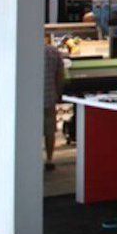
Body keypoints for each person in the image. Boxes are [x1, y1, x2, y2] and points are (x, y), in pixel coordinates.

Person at [44, 37, 69, 171]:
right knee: (49, 130)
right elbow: (60, 75)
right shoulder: (53, 52)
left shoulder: (26, 51)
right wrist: (58, 94)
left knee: (31, 129)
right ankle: (49, 159)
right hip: (48, 97)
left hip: (29, 99)